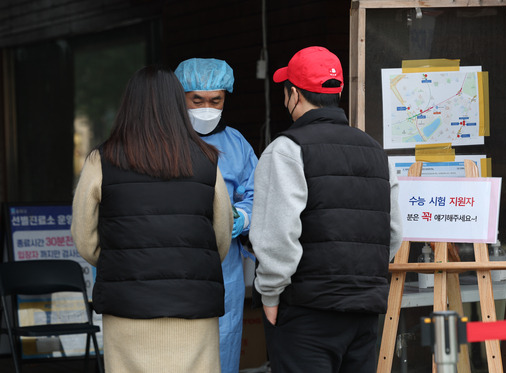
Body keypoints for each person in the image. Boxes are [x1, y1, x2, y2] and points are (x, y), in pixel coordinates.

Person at [249, 46, 403, 373]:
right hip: (363, 313)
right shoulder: (376, 152)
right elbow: (393, 233)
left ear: (293, 94)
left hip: (307, 312)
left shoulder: (287, 150)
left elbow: (277, 238)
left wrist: (270, 295)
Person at [71, 65, 233, 373]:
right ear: (177, 104)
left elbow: (84, 238)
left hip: (127, 309)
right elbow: (220, 238)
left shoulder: (102, 160)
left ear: (129, 104)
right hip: (194, 308)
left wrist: (119, 261)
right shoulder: (207, 160)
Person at [174, 58, 258, 373]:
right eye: (197, 100)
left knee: (224, 338)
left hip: (225, 265)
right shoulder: (164, 142)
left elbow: (258, 191)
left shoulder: (236, 144)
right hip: (175, 258)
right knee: (178, 343)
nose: (207, 107)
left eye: (216, 100)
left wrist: (245, 217)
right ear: (179, 97)